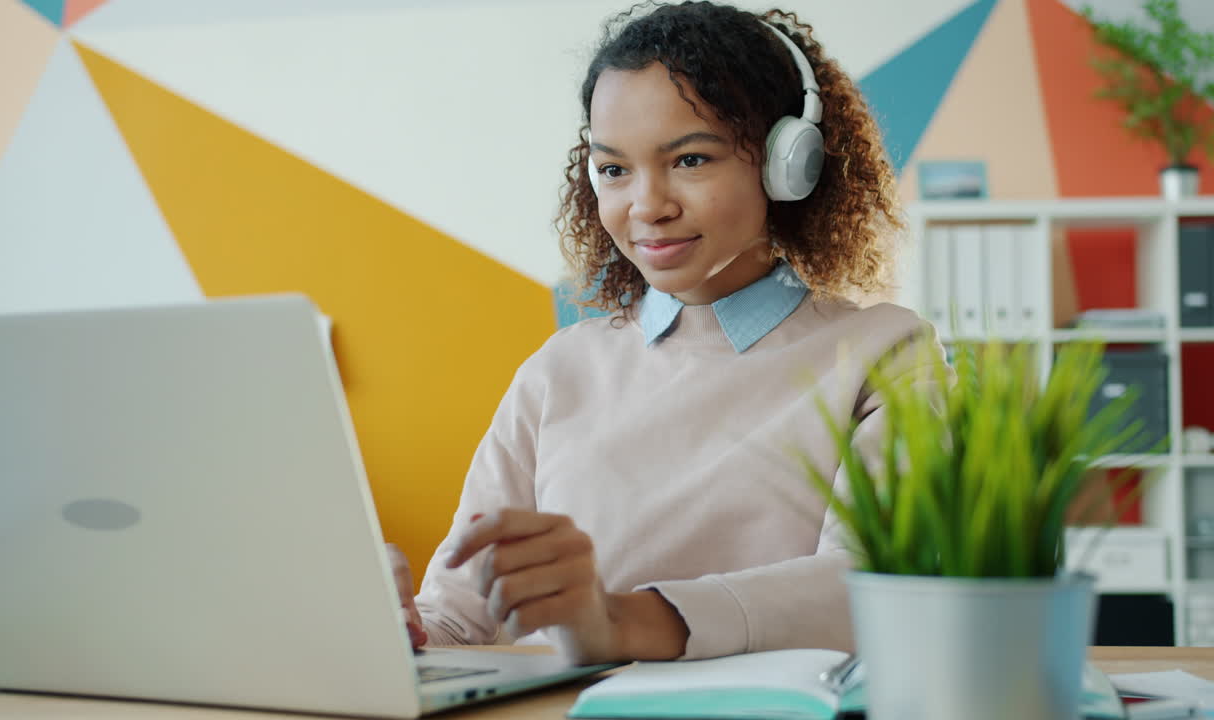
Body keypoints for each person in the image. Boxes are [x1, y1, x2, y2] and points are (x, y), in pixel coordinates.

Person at [389, 0, 945, 665]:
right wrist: (397, 630)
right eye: (615, 170)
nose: (647, 206)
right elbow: (458, 614)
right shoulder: (558, 370)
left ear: (786, 164)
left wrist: (617, 621)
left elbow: (873, 590)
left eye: (689, 160)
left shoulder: (885, 353)